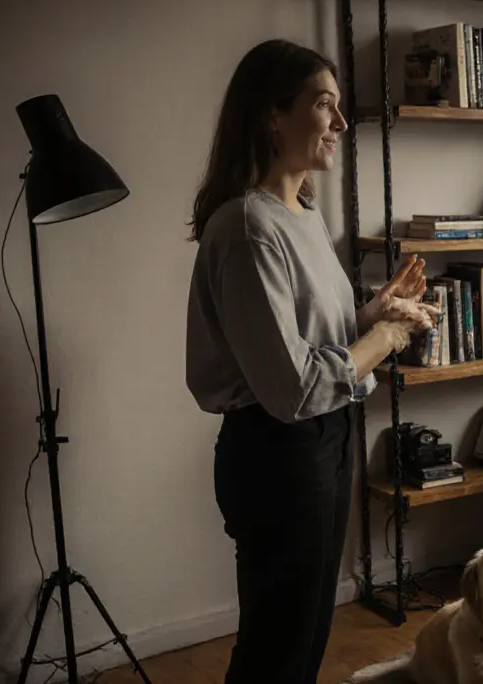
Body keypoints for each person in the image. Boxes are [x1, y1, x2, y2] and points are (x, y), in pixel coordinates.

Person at [184, 39, 437, 683]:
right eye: (325, 105)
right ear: (273, 115)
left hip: (322, 441)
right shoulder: (247, 227)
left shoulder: (301, 214)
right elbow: (292, 387)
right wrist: (391, 337)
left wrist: (374, 314)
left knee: (307, 631)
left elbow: (311, 344)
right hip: (277, 454)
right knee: (278, 645)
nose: (342, 124)